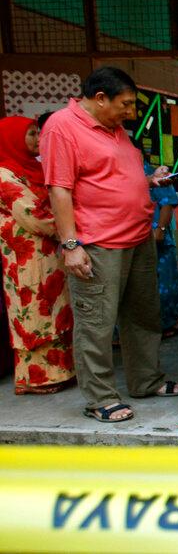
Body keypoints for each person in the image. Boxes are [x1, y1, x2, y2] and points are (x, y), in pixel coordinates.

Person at [42, 67, 178, 423]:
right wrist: (71, 244)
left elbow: (112, 178)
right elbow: (59, 188)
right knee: (97, 323)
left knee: (142, 317)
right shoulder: (63, 126)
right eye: (125, 104)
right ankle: (100, 397)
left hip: (138, 238)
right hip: (98, 243)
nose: (131, 111)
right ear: (100, 98)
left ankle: (145, 380)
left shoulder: (117, 131)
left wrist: (149, 181)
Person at [0, 116, 75, 394]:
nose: (35, 139)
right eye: (30, 134)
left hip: (52, 252)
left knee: (58, 307)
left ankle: (62, 371)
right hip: (26, 257)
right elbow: (31, 213)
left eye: (36, 133)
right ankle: (37, 377)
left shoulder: (35, 168)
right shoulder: (5, 174)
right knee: (33, 308)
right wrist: (68, 228)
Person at [146, 162, 178, 338]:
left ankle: (167, 323)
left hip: (156, 235)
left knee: (164, 281)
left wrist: (160, 229)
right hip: (128, 237)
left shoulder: (153, 173)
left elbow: (167, 203)